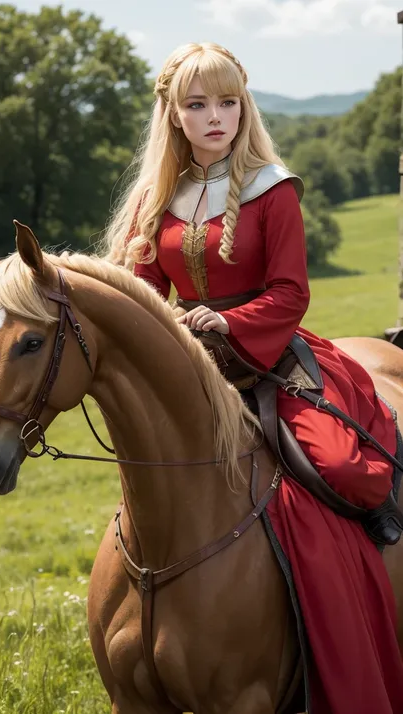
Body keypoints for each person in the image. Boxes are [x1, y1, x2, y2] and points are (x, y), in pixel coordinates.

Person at [104, 42, 403, 714]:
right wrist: (171, 326)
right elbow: (148, 289)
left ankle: (378, 548)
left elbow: (291, 292)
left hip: (270, 357)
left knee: (338, 464)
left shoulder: (274, 188)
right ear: (174, 116)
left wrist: (228, 323)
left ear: (245, 107)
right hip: (192, 366)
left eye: (229, 102)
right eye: (199, 104)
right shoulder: (157, 203)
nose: (217, 117)